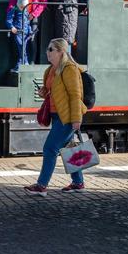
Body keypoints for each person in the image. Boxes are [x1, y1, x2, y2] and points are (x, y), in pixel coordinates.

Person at [24, 38, 87, 197]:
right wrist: (44, 92)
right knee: (68, 148)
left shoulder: (69, 69)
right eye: (47, 49)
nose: (47, 52)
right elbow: (52, 90)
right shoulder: (51, 70)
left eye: (51, 49)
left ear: (61, 52)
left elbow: (75, 96)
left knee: (50, 148)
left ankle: (41, 185)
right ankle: (78, 183)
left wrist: (76, 119)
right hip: (56, 115)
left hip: (66, 117)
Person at [7, 0, 48, 64]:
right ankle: (20, 63)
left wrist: (34, 14)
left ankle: (31, 62)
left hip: (32, 16)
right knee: (18, 40)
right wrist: (10, 13)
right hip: (20, 15)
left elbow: (43, 3)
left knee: (31, 40)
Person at [5, 0, 32, 72]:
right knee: (21, 47)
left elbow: (28, 22)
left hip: (26, 33)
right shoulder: (14, 9)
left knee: (23, 48)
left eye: (24, 7)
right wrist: (12, 27)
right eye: (21, 7)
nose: (23, 8)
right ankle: (25, 63)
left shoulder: (26, 11)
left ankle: (19, 66)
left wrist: (30, 31)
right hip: (18, 32)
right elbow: (8, 19)